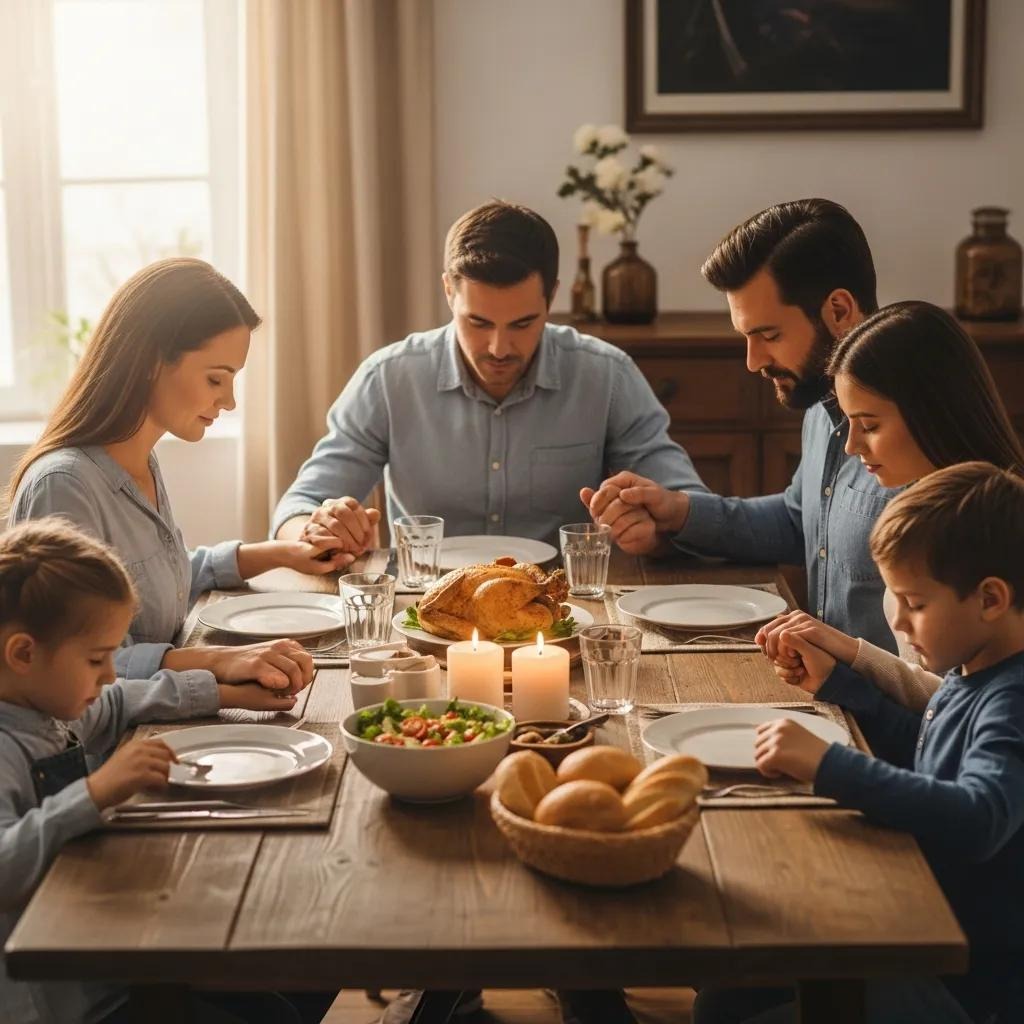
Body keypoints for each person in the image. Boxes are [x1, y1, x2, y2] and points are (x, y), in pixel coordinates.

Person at [696, 462, 1024, 1024]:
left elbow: (978, 816)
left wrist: (829, 764)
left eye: (914, 604)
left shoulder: (1011, 700)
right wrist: (836, 684)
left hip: (959, 980)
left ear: (990, 599)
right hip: (912, 917)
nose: (895, 617)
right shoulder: (973, 671)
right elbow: (924, 749)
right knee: (722, 994)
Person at [0, 518, 332, 1024]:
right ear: (23, 653)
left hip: (108, 952)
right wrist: (93, 793)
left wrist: (220, 689)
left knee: (300, 986)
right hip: (64, 1002)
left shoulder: (44, 703)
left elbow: (116, 701)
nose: (110, 673)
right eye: (96, 659)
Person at [272, 199, 706, 556]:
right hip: (424, 610)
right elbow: (295, 510)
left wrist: (655, 533)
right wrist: (317, 529)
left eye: (522, 324)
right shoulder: (388, 379)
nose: (499, 348)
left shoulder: (606, 376)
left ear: (552, 295)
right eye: (478, 322)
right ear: (448, 291)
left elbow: (694, 511)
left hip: (561, 612)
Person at [583, 199, 902, 652]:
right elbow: (799, 522)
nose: (754, 362)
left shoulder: (919, 432)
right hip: (830, 696)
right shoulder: (820, 399)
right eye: (746, 337)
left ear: (839, 311)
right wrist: (678, 510)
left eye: (769, 336)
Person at [6, 258, 335, 690]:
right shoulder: (64, 487)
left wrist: (281, 553)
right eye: (216, 379)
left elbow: (159, 580)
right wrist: (218, 667)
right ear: (149, 361)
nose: (229, 401)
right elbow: (89, 670)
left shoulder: (139, 459)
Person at [755, 302, 1024, 711]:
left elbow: (961, 713)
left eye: (871, 426)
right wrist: (845, 652)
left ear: (933, 411)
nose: (851, 446)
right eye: (848, 424)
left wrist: (848, 667)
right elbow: (941, 693)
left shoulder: (992, 530)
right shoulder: (931, 509)